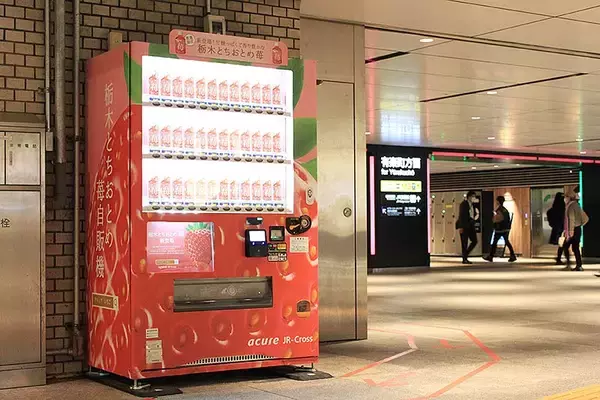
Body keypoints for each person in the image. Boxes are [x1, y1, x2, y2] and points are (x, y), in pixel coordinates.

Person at [483, 196, 516, 263]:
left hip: (500, 229)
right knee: (505, 242)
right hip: (505, 229)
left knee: (495, 242)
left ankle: (491, 256)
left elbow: (498, 219)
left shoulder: (499, 210)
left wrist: (494, 220)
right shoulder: (504, 209)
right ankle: (512, 255)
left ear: (498, 201)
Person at [563, 188, 588, 272]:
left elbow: (571, 219)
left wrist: (571, 231)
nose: (565, 198)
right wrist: (579, 225)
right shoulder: (577, 205)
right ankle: (579, 265)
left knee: (566, 246)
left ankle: (570, 264)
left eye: (566, 196)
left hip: (573, 230)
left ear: (569, 197)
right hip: (577, 229)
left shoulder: (570, 206)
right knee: (575, 247)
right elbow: (586, 218)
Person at [456, 190, 478, 264]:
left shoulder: (472, 205)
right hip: (464, 226)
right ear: (469, 197)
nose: (474, 198)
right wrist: (461, 227)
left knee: (474, 241)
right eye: (473, 196)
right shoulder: (464, 204)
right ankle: (464, 259)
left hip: (471, 225)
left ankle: (466, 254)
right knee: (464, 243)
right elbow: (461, 216)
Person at [547, 192, 565, 265]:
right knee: (564, 244)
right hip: (563, 229)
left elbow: (550, 220)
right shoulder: (564, 209)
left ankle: (559, 258)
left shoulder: (552, 210)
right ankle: (560, 258)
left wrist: (554, 225)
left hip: (556, 229)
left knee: (562, 244)